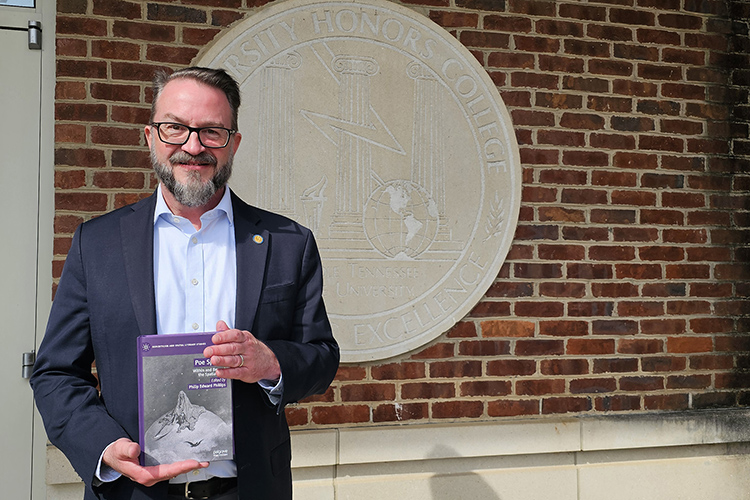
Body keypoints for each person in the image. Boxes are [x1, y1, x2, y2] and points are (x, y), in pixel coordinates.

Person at [30, 66, 340, 500]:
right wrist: (102, 446)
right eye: (175, 128)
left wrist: (271, 362)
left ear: (234, 143)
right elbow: (57, 372)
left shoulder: (287, 243)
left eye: (212, 131)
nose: (193, 147)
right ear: (150, 135)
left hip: (248, 489)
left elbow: (322, 357)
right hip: (133, 491)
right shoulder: (96, 244)